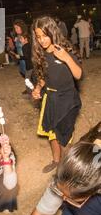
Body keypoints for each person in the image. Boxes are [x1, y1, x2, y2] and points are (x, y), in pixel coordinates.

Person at [9, 121, 101, 215]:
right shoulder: (73, 167)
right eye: (59, 190)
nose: (61, 198)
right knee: (71, 212)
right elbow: (41, 213)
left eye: (69, 198)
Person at [32, 16, 82, 173]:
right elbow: (43, 77)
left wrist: (66, 58)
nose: (42, 40)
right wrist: (38, 89)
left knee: (64, 138)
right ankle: (56, 161)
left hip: (67, 100)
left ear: (53, 32)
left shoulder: (64, 50)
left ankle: (69, 169)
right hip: (50, 99)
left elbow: (78, 74)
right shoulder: (40, 54)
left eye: (45, 35)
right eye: (38, 36)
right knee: (51, 133)